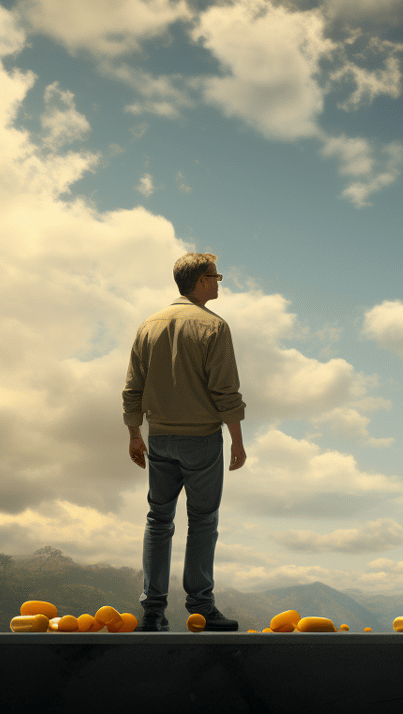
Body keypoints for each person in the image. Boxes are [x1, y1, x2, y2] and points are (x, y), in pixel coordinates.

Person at [122, 253, 246, 632]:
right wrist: (237, 441)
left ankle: (153, 612)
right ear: (201, 282)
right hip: (202, 440)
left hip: (159, 438)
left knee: (158, 521)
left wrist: (134, 434)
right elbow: (225, 390)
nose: (219, 281)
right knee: (203, 521)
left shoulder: (148, 325)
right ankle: (201, 608)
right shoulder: (214, 327)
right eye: (216, 275)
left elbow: (133, 388)